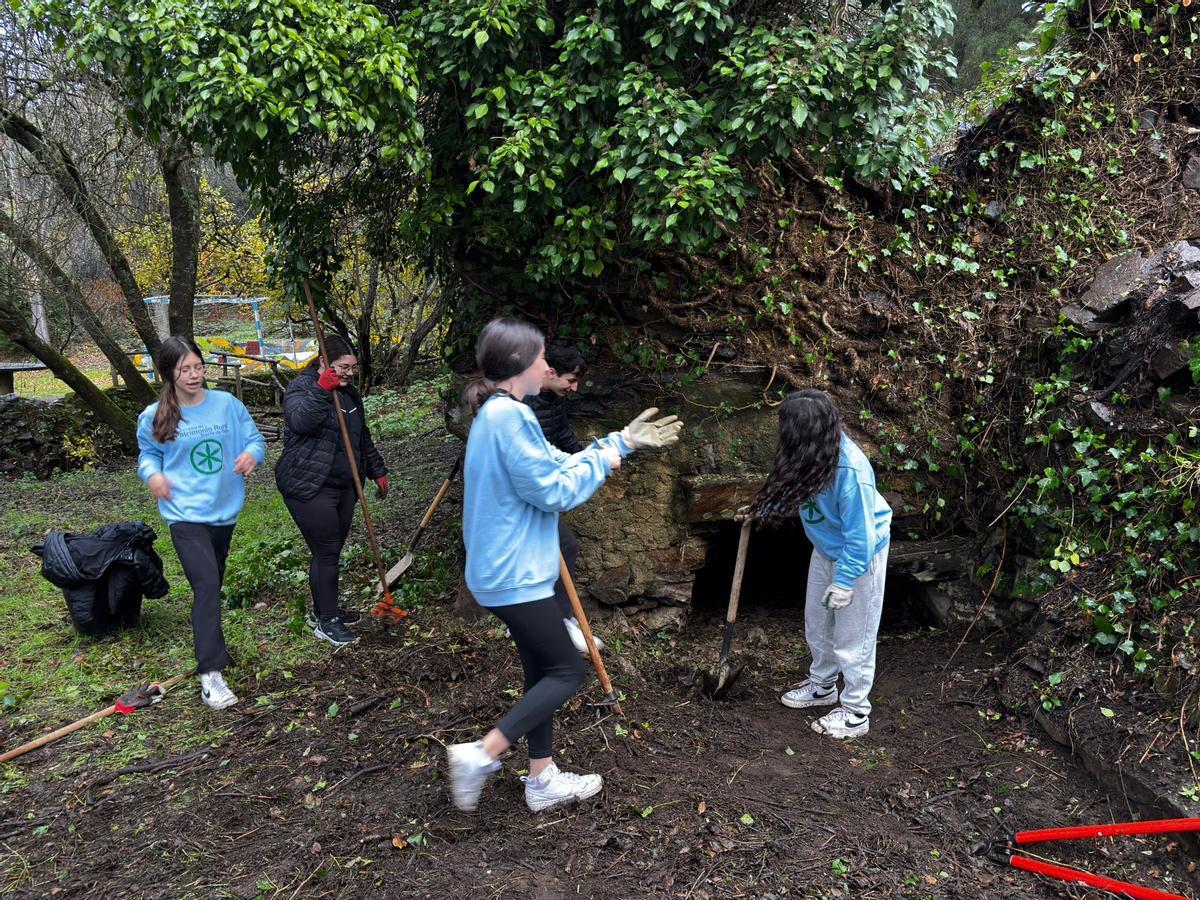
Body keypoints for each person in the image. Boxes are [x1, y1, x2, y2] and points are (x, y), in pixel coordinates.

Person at [447, 317, 682, 814]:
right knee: (566, 672)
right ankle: (481, 754)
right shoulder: (508, 418)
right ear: (518, 367)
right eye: (540, 358)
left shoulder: (503, 413)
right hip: (515, 574)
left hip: (508, 570)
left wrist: (617, 444)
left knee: (541, 670)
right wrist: (606, 458)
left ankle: (541, 779)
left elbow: (553, 463)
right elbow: (555, 489)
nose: (547, 365)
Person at [745, 389, 891, 740]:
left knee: (853, 638)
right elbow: (797, 492)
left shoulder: (851, 471)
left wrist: (844, 582)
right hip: (826, 550)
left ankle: (856, 710)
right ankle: (822, 686)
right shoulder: (811, 454)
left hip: (860, 557)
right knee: (818, 624)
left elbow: (861, 537)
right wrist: (763, 511)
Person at [136, 335, 266, 710]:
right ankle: (211, 674)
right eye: (184, 369)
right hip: (184, 515)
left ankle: (212, 645)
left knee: (212, 583)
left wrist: (250, 456)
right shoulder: (154, 415)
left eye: (198, 367)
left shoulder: (227, 405)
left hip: (223, 512)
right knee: (207, 583)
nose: (194, 375)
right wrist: (153, 476)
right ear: (169, 374)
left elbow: (255, 440)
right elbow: (147, 456)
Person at [275, 335, 389, 648]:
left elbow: (360, 436)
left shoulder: (350, 393)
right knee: (326, 551)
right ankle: (328, 621)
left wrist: (377, 469)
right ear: (325, 362)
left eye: (353, 368)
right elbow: (300, 422)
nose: (349, 373)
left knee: (331, 552)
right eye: (343, 367)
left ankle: (322, 610)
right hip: (308, 484)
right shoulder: (302, 387)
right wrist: (322, 389)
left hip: (345, 483)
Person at [523, 343, 600, 656]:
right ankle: (558, 623)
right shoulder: (523, 403)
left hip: (542, 487)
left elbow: (562, 434)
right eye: (571, 380)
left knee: (562, 547)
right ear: (551, 372)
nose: (575, 387)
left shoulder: (554, 398)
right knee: (559, 546)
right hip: (526, 493)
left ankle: (559, 621)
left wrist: (585, 458)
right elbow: (535, 454)